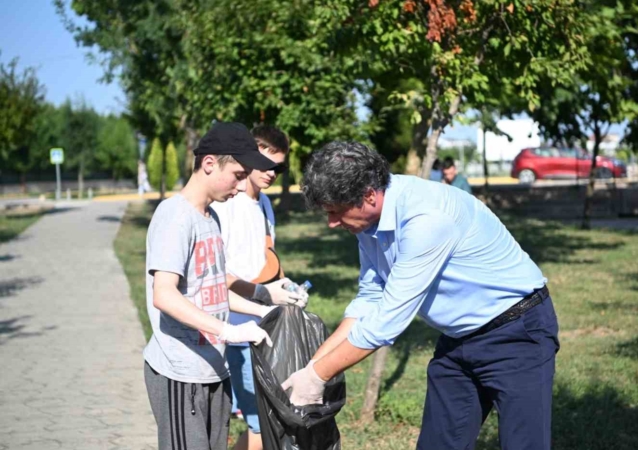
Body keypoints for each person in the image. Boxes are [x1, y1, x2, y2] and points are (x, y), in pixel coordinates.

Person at [282, 141, 559, 450]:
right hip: (458, 340)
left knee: (524, 444)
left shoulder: (426, 219)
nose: (332, 223)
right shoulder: (368, 223)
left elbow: (386, 322)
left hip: (516, 333)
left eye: (336, 212)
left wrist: (319, 375)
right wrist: (311, 367)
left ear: (368, 196)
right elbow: (371, 297)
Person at [143, 122, 281, 450]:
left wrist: (265, 307)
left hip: (213, 369)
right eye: (237, 174)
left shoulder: (211, 217)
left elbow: (214, 292)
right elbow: (164, 295)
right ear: (209, 164)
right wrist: (228, 331)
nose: (240, 184)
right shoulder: (175, 216)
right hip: (181, 372)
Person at [210, 124, 305, 450]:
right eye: (266, 163)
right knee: (259, 426)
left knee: (260, 425)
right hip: (233, 331)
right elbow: (217, 275)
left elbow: (262, 265)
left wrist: (285, 287)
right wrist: (264, 295)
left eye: (279, 167)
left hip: (263, 330)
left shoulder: (264, 205)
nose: (272, 173)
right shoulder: (226, 205)